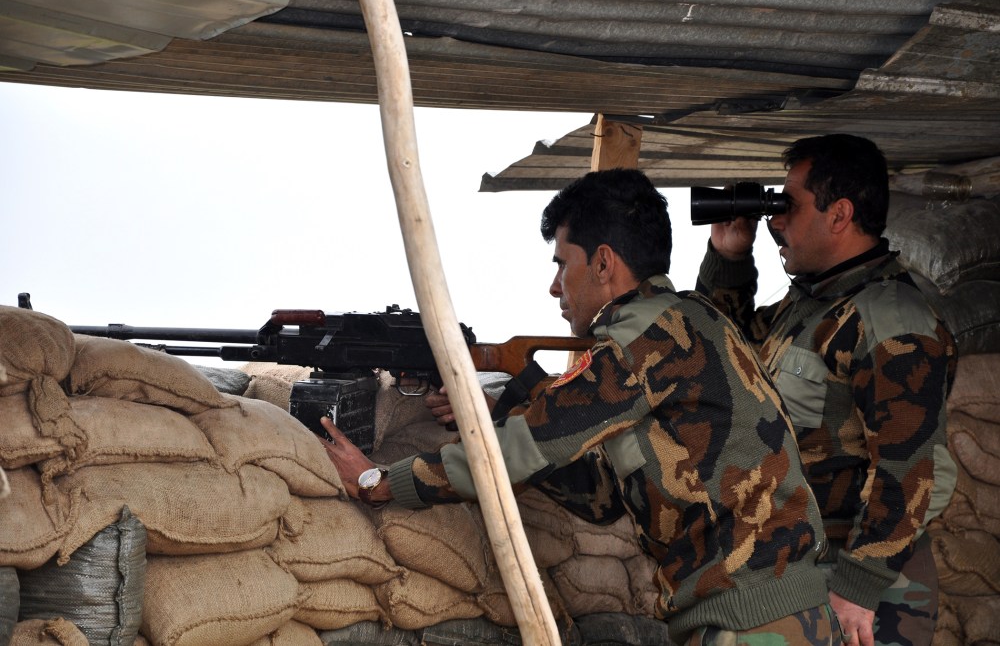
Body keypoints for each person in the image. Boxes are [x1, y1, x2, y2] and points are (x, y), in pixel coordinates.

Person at [320, 168, 840, 645]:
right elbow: (601, 497)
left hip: (753, 620)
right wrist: (500, 413)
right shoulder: (679, 320)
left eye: (561, 264)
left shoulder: (647, 338)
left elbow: (521, 450)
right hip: (763, 612)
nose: (555, 287)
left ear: (604, 262)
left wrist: (380, 481)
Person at [696, 134, 957, 646]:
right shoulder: (813, 306)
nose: (775, 221)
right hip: (800, 563)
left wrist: (858, 586)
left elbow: (915, 469)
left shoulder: (890, 320)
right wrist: (729, 258)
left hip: (861, 588)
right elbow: (723, 357)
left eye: (788, 206)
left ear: (839, 215)